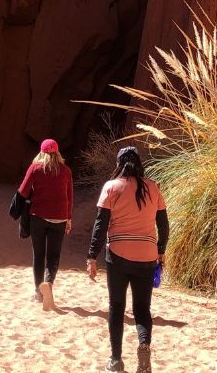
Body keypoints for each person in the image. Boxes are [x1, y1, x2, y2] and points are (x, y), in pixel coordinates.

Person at [87, 147, 169, 373]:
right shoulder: (153, 187)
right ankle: (144, 345)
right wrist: (160, 250)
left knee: (116, 306)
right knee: (142, 308)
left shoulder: (111, 187)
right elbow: (163, 223)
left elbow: (100, 224)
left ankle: (116, 360)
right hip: (147, 254)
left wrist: (91, 256)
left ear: (119, 163)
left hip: (118, 254)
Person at [18, 138, 74, 310]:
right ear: (57, 153)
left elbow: (23, 190)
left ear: (41, 152)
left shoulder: (35, 168)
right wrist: (69, 218)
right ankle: (48, 284)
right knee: (53, 256)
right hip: (60, 217)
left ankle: (38, 292)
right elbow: (70, 196)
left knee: (38, 254)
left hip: (38, 216)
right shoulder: (66, 171)